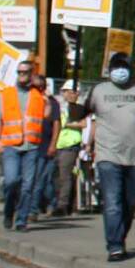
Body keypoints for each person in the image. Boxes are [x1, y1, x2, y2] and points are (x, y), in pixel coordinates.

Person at [67, 51, 135, 262]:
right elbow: (80, 115)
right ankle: (114, 245)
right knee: (113, 201)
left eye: (124, 66)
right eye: (116, 66)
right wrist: (72, 103)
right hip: (108, 155)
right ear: (110, 70)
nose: (120, 71)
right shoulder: (99, 90)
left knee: (130, 202)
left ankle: (120, 235)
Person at [0, 62, 49, 232]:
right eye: (19, 72)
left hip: (31, 146)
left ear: (32, 74)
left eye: (25, 72)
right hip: (11, 145)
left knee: (28, 185)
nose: (21, 75)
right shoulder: (7, 93)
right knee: (11, 181)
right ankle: (8, 211)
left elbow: (46, 117)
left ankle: (21, 220)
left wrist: (46, 102)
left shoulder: (38, 95)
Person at [15, 73, 62, 231]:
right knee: (23, 180)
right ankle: (23, 209)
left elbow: (56, 124)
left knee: (37, 181)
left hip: (43, 146)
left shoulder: (52, 103)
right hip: (25, 145)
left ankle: (32, 211)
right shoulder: (25, 100)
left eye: (40, 87)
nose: (37, 89)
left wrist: (53, 144)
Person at [52, 86, 84, 216]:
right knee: (57, 177)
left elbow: (83, 124)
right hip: (58, 145)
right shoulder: (61, 106)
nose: (69, 95)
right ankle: (57, 203)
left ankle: (63, 205)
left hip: (70, 145)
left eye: (72, 92)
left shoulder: (77, 107)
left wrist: (64, 124)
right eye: (66, 92)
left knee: (65, 176)